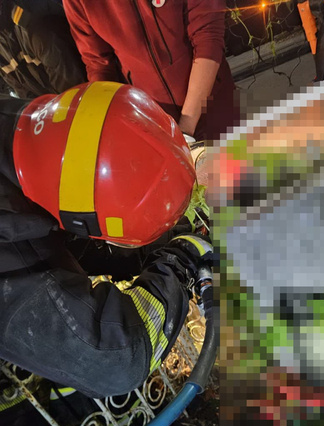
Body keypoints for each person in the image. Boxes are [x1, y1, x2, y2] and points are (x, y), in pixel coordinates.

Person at [0, 81, 212, 399]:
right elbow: (116, 358)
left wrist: (163, 242)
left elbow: (70, 234)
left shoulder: (38, 143)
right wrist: (182, 259)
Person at [63, 0, 236, 141]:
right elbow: (98, 64)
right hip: (152, 123)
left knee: (237, 168)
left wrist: (186, 126)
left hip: (213, 100)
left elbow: (208, 36)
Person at [0, 0, 86, 98]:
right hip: (53, 103)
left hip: (85, 96)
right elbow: (24, 94)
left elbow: (72, 91)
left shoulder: (35, 26)